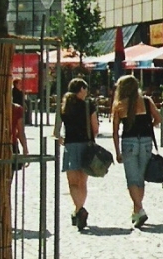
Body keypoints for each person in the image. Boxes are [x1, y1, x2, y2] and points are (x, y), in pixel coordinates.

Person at [112, 74, 161, 228]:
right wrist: (149, 126)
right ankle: (136, 211)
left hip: (129, 142)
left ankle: (139, 209)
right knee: (140, 178)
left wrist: (117, 151)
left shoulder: (119, 105)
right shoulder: (146, 101)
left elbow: (115, 131)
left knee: (132, 179)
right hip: (146, 142)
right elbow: (158, 118)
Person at [55, 78, 97, 231]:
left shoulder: (64, 106)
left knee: (72, 183)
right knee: (82, 182)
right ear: (81, 89)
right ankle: (80, 210)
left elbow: (56, 132)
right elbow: (95, 128)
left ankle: (79, 210)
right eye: (85, 89)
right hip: (86, 146)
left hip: (71, 146)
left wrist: (62, 140)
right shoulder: (88, 105)